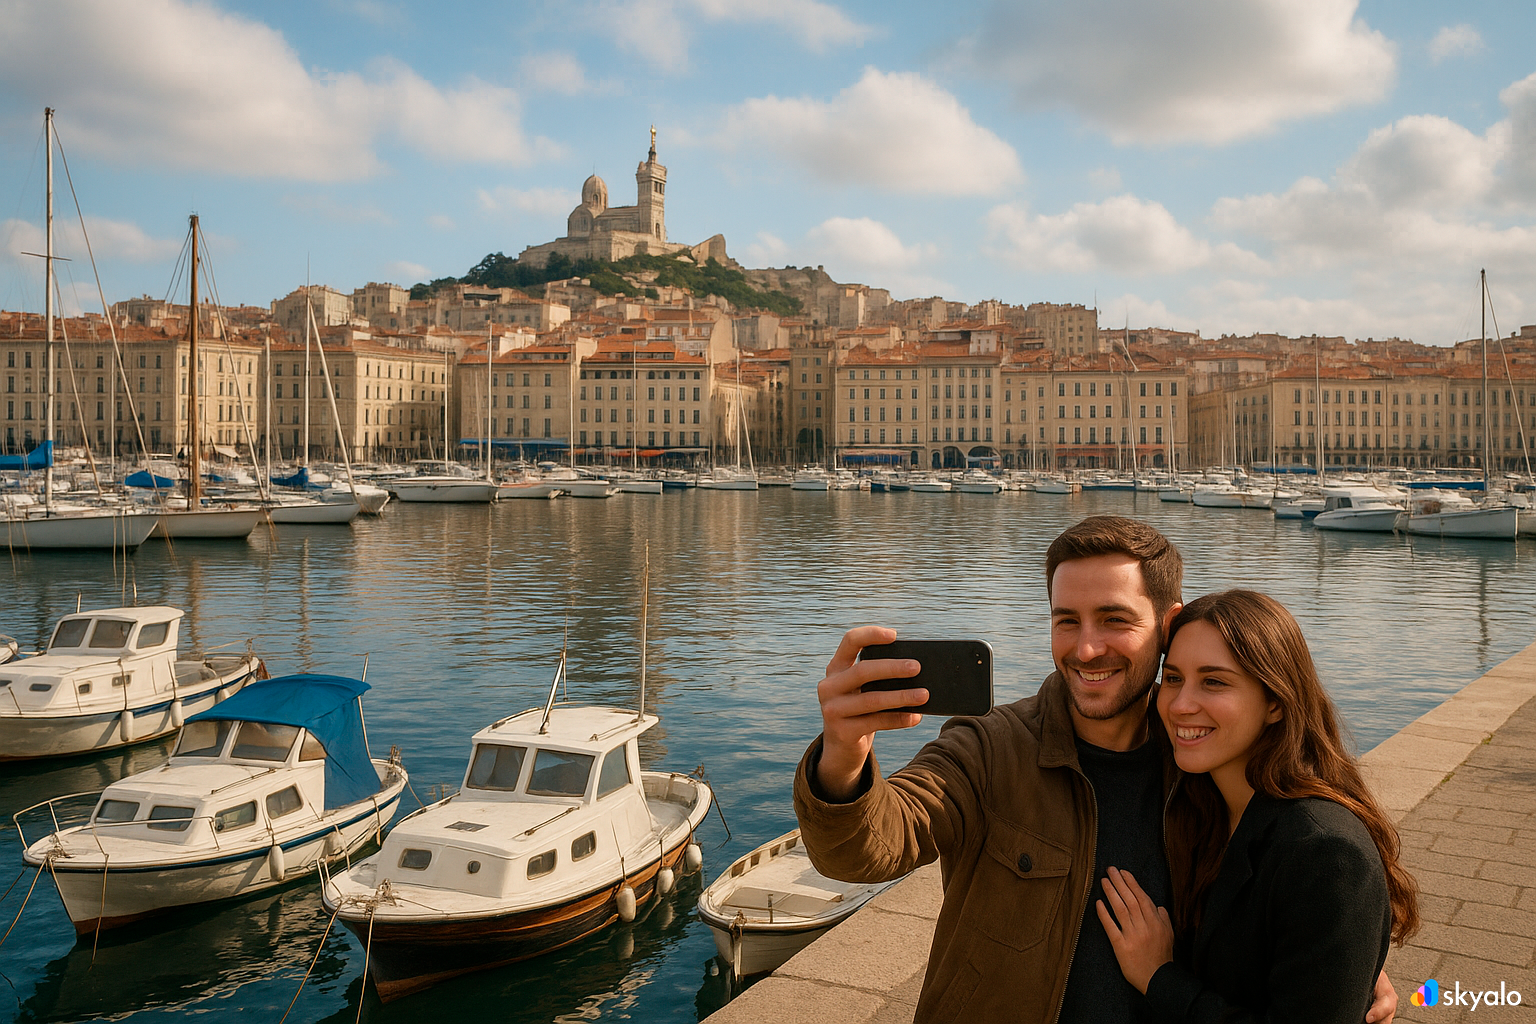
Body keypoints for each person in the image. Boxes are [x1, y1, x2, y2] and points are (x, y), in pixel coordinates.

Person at [793, 515, 1398, 1024]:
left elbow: (1281, 908)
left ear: (1168, 624)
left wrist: (1347, 965)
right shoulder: (989, 748)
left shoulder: (1201, 760)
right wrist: (845, 753)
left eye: (1114, 619)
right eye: (1066, 620)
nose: (1085, 649)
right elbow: (863, 852)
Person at [1095, 589, 1419, 1022]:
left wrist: (1159, 977)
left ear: (1275, 702)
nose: (1180, 704)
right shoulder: (1197, 798)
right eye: (1172, 678)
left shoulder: (1324, 851)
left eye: (1214, 681)